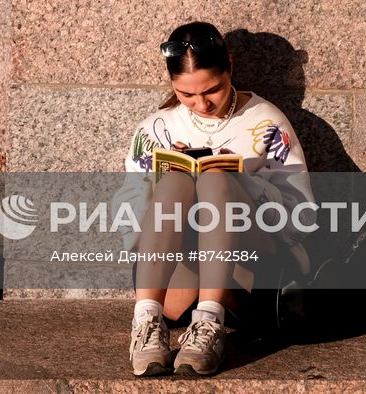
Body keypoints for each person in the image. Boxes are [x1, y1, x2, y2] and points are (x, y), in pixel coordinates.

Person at [117, 21, 313, 377]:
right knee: (177, 181)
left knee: (216, 179)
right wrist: (166, 181)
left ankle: (208, 324)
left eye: (212, 90)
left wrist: (239, 181)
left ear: (230, 67)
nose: (201, 104)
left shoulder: (266, 122)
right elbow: (128, 215)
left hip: (251, 263)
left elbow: (300, 216)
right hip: (178, 269)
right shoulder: (156, 128)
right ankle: (146, 322)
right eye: (186, 95)